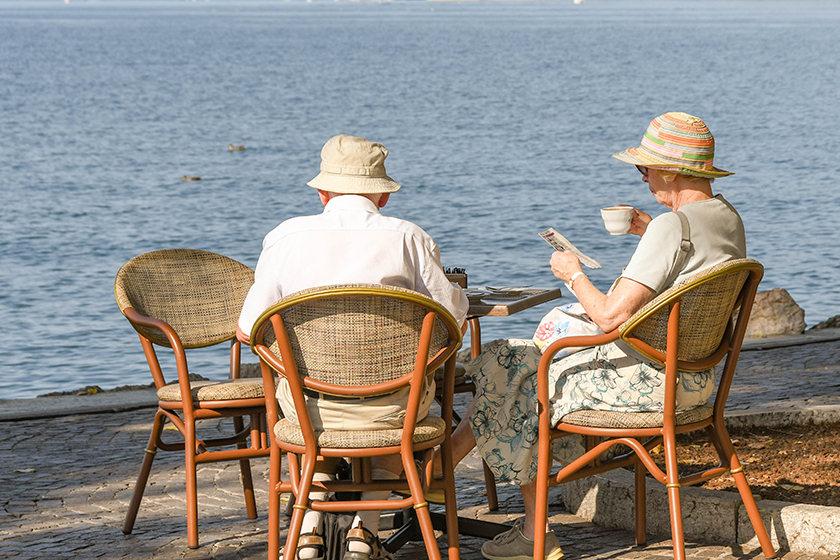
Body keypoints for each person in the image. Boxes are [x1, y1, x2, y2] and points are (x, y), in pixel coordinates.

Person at [445, 112, 745, 560]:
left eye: (644, 169)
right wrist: (649, 231)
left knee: (514, 369)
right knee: (515, 361)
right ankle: (451, 473)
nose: (642, 179)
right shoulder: (724, 217)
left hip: (651, 386)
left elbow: (608, 316)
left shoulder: (672, 228)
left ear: (671, 170)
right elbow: (688, 267)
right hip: (695, 379)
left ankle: (489, 505)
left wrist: (574, 273)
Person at [237, 134, 469, 560]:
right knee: (404, 398)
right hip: (392, 408)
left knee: (311, 408)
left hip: (311, 409)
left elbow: (248, 326)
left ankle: (308, 531)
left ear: (323, 191)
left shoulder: (285, 238)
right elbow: (451, 321)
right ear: (382, 195)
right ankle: (366, 530)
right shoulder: (408, 238)